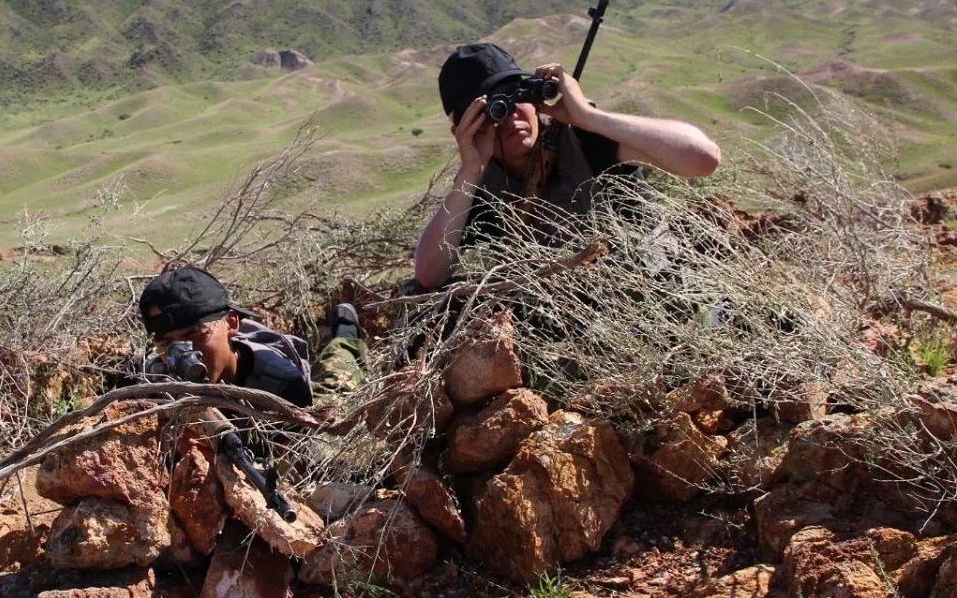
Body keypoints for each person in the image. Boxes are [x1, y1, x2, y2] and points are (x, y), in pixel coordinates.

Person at [414, 43, 721, 289]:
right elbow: (429, 275)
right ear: (464, 129)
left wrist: (588, 117)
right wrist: (469, 172)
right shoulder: (484, 188)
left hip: (656, 297)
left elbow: (703, 158)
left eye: (514, 97)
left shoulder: (586, 144)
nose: (510, 117)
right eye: (493, 111)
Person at [137, 266, 368, 407]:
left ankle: (345, 327)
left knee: (336, 386)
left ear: (232, 323)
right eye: (167, 343)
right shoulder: (158, 377)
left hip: (289, 381)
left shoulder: (282, 383)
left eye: (196, 334)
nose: (184, 353)